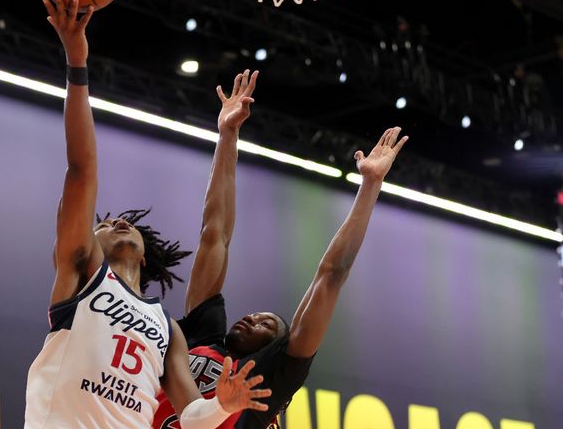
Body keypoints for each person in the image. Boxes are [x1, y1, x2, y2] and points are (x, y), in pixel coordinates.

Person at [25, 0, 271, 429]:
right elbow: (81, 168)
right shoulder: (82, 271)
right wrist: (77, 64)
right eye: (104, 223)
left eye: (124, 222)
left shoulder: (166, 327)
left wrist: (223, 405)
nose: (117, 222)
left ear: (144, 256)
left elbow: (191, 415)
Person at [153, 69, 408, 428]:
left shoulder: (274, 376)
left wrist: (370, 185)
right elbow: (214, 234)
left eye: (266, 324)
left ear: (275, 345)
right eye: (257, 315)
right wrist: (227, 134)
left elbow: (330, 276)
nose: (251, 318)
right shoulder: (201, 336)